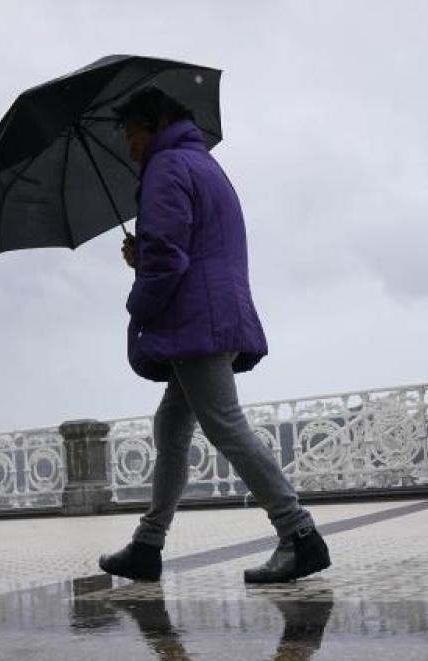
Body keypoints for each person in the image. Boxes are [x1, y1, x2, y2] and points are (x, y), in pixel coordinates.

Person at [97, 87, 331, 584]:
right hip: (213, 312)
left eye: (132, 134)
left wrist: (138, 297)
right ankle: (148, 544)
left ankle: (299, 533)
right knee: (172, 427)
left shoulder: (165, 167)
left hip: (195, 319)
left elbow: (168, 258)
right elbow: (191, 244)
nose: (130, 147)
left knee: (225, 425)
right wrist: (147, 256)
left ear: (154, 125)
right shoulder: (201, 163)